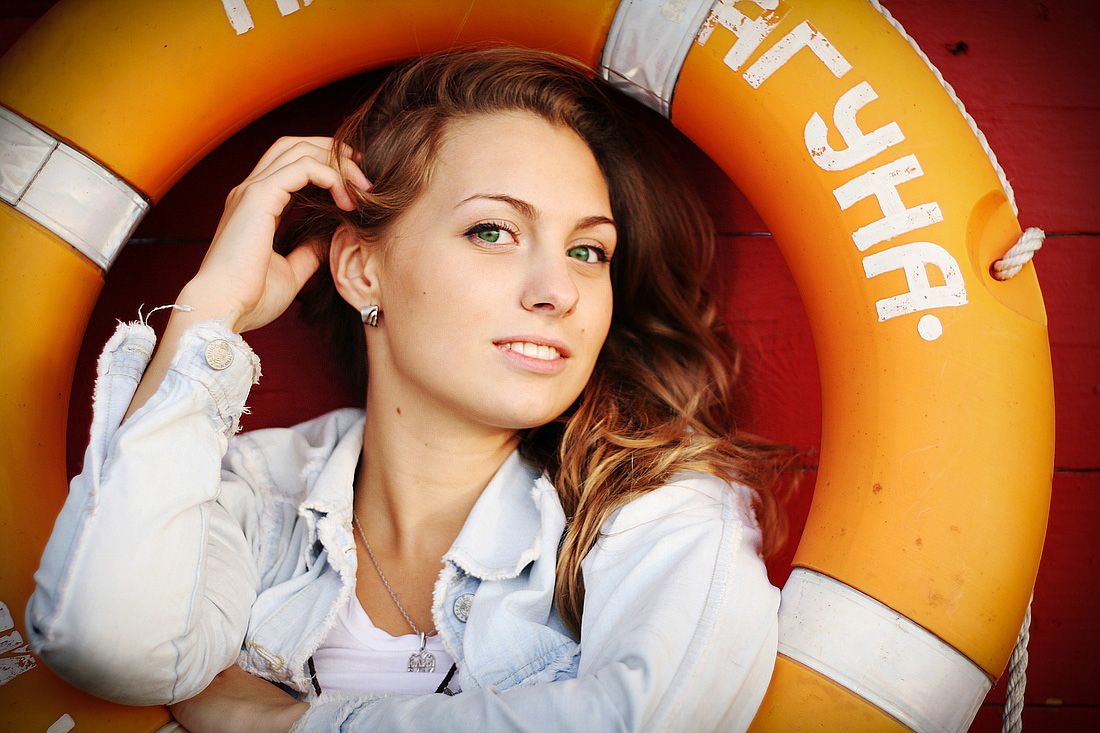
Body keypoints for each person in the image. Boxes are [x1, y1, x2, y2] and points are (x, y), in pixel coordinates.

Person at [26, 45, 792, 732]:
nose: (559, 290)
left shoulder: (658, 505)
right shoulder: (254, 493)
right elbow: (108, 646)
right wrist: (210, 310)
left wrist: (278, 723)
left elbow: (650, 720)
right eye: (493, 231)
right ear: (363, 269)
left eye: (588, 250)